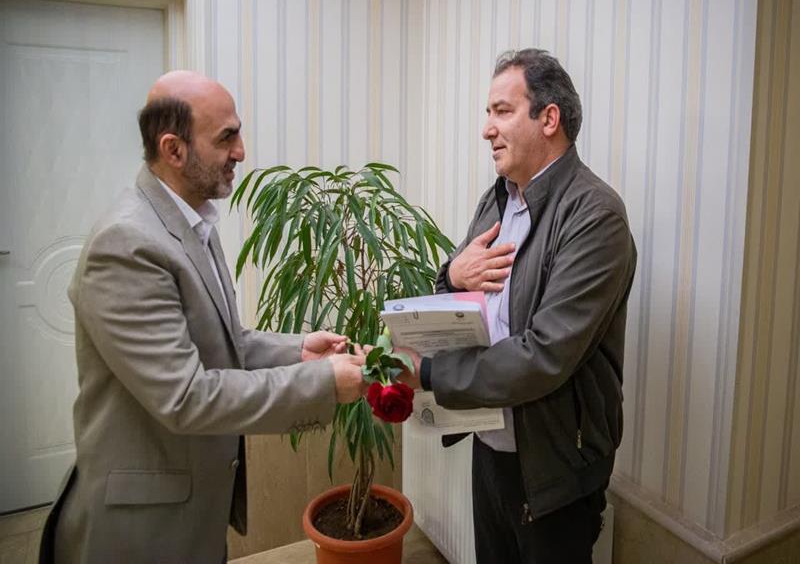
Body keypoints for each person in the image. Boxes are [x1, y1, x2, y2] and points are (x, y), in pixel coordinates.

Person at [39, 71, 366, 564]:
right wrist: (322, 383)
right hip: (143, 528)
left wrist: (297, 351)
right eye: (226, 138)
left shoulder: (191, 223)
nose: (241, 152)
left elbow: (219, 340)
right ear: (174, 150)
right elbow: (186, 396)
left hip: (191, 510)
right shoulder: (127, 244)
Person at [401, 49, 637, 563]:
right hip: (490, 446)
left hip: (556, 467)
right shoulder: (497, 200)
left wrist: (431, 373)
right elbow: (459, 300)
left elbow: (544, 354)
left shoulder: (596, 216)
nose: (487, 129)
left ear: (549, 119)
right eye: (488, 113)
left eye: (502, 111)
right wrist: (451, 275)